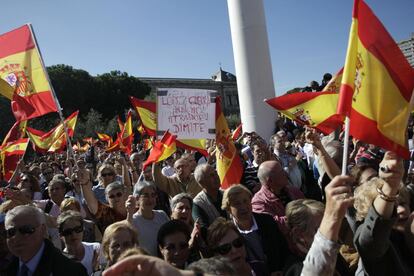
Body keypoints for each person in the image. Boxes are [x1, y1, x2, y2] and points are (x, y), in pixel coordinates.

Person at [222, 184, 289, 275]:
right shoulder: (228, 233)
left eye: (245, 201)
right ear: (228, 209)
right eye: (237, 204)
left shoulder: (267, 221)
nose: (243, 207)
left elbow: (284, 250)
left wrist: (280, 271)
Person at [3, 205, 87, 275]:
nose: (16, 237)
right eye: (11, 232)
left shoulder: (71, 270)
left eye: (26, 229)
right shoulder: (6, 267)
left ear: (43, 230)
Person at [301, 175, 355, 276]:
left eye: (324, 224)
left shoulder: (335, 254)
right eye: (319, 229)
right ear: (299, 235)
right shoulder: (296, 268)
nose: (328, 232)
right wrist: (331, 217)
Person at [252, 160, 304, 235]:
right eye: (281, 172)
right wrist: (301, 215)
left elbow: (307, 206)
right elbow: (272, 224)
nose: (286, 173)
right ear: (270, 181)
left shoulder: (293, 191)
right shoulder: (259, 202)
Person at [126, 181, 170, 256]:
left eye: (153, 195)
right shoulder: (133, 219)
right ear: (137, 198)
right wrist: (129, 212)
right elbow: (127, 236)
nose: (150, 199)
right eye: (146, 196)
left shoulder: (162, 215)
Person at [79, 166, 128, 233]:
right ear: (107, 199)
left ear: (124, 195)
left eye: (119, 194)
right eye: (111, 196)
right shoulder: (105, 213)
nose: (116, 198)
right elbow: (91, 202)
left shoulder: (134, 209)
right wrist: (84, 183)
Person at [57, 210, 101, 275]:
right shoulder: (61, 262)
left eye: (77, 229)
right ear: (61, 235)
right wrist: (96, 271)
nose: (74, 235)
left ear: (83, 229)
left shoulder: (96, 249)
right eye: (68, 232)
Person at [192, 164, 227, 230]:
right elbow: (204, 230)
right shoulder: (198, 203)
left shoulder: (226, 193)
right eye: (211, 175)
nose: (216, 176)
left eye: (215, 173)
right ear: (202, 182)